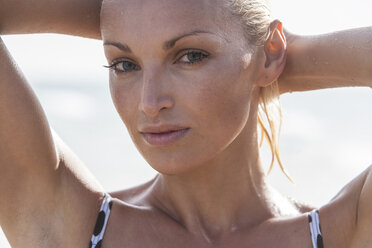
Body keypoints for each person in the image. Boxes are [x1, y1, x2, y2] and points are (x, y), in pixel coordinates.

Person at [0, 0, 371, 247]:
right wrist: (126, 10)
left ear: (270, 52)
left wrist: (272, 63)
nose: (150, 104)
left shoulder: (344, 232)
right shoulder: (70, 226)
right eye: (124, 63)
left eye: (191, 56)